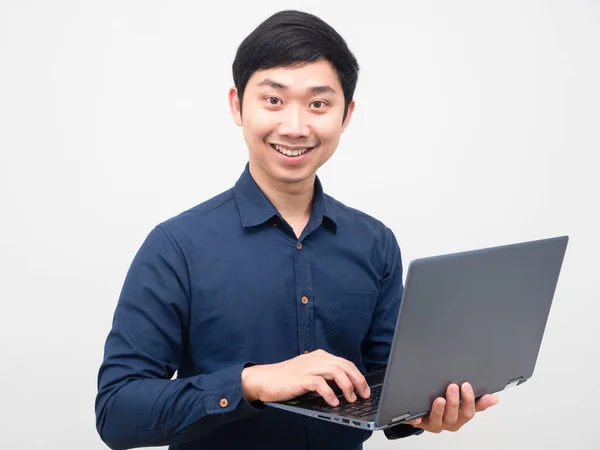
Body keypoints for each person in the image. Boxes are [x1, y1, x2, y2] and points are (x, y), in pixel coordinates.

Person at [95, 9, 499, 450]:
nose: (294, 126)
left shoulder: (374, 243)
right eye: (273, 100)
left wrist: (426, 411)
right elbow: (116, 411)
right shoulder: (175, 246)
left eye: (318, 104)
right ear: (237, 105)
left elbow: (385, 391)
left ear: (346, 115)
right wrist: (252, 383)